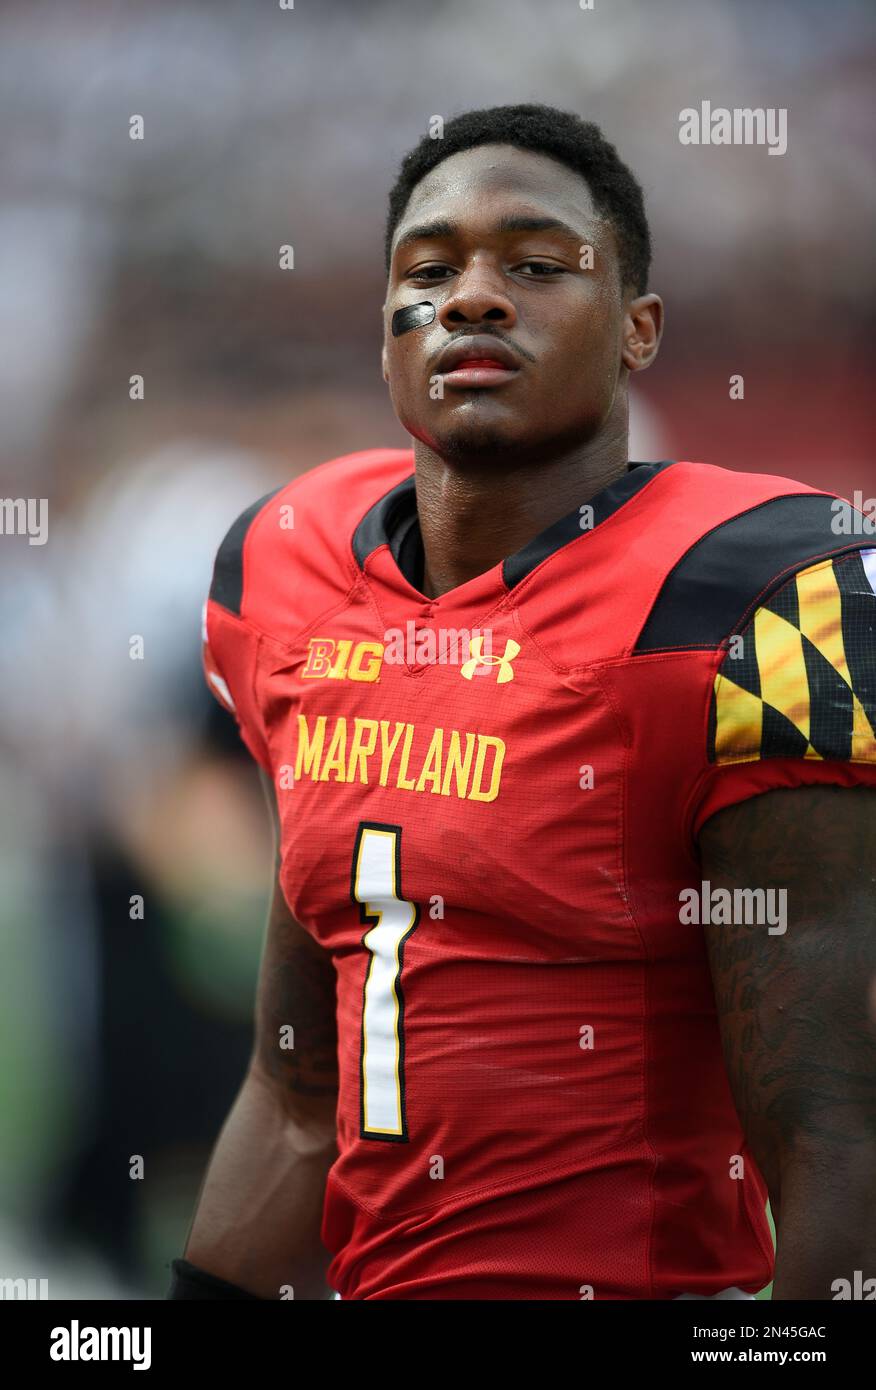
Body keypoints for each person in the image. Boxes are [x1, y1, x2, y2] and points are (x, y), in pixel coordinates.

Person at [170, 104, 876, 1301]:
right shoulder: (288, 570)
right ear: (387, 331)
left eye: (538, 266)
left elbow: (840, 1141)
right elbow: (294, 1102)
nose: (475, 298)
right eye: (430, 270)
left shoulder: (752, 591)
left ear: (638, 330)